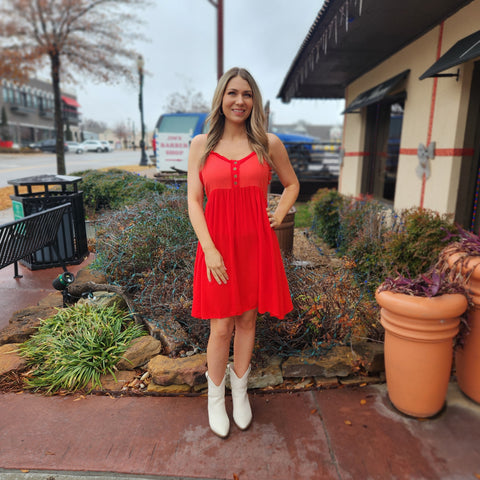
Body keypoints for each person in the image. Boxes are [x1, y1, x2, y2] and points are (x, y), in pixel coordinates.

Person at [187, 67, 299, 438]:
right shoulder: (201, 144)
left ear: (255, 101)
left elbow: (292, 184)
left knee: (248, 321)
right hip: (216, 249)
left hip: (255, 246)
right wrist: (209, 248)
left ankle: (240, 393)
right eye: (233, 93)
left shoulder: (268, 143)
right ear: (221, 98)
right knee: (220, 327)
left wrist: (278, 214)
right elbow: (193, 200)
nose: (240, 101)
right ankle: (214, 398)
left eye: (247, 94)